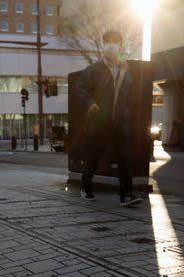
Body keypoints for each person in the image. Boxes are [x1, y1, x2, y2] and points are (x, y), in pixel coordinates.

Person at [76, 30, 141, 207]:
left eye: (114, 42)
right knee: (93, 157)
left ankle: (126, 195)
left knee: (125, 157)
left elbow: (130, 94)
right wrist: (90, 103)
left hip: (120, 122)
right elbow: (80, 88)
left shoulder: (126, 69)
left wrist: (128, 113)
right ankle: (86, 187)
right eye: (107, 42)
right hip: (99, 122)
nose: (110, 45)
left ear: (120, 46)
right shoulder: (94, 69)